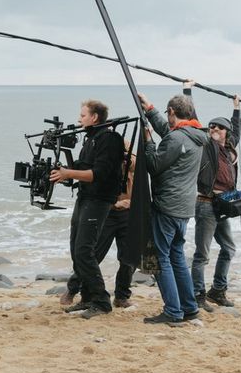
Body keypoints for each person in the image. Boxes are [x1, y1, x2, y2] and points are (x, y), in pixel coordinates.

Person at [137, 89, 208, 325]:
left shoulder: (178, 138)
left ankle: (173, 311)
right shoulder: (194, 135)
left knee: (161, 258)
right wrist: (150, 109)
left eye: (167, 114)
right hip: (185, 208)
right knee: (176, 256)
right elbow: (169, 134)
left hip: (168, 206)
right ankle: (189, 308)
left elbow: (154, 165)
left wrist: (148, 142)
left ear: (172, 112)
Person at [50, 100, 124, 319]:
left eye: (82, 115)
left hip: (99, 200)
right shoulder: (91, 139)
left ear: (95, 117)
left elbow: (98, 174)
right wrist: (62, 174)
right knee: (76, 249)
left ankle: (101, 301)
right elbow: (83, 170)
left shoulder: (110, 139)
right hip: (85, 197)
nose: (79, 119)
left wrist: (68, 173)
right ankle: (87, 298)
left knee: (84, 250)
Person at [183, 81, 241, 310]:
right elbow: (193, 119)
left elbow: (237, 129)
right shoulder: (206, 145)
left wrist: (236, 107)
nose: (214, 130)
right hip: (206, 204)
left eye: (219, 128)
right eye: (212, 127)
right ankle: (198, 295)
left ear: (226, 133)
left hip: (223, 206)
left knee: (228, 249)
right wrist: (187, 91)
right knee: (202, 255)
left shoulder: (230, 147)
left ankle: (218, 290)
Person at [60, 140, 137, 308]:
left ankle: (122, 295)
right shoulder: (97, 153)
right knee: (92, 254)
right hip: (106, 211)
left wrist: (124, 156)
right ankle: (75, 289)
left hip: (128, 211)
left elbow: (134, 163)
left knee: (129, 258)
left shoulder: (121, 145)